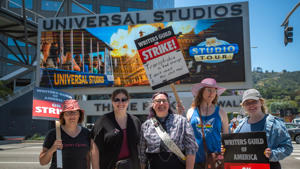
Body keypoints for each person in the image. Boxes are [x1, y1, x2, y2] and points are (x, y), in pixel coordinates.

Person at [234, 89, 293, 169]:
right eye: (247, 103)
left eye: (254, 101)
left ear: (261, 102)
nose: (251, 105)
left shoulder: (275, 124)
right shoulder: (240, 125)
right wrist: (226, 150)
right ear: (243, 106)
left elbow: (287, 147)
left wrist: (272, 154)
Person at [139, 92, 198, 169]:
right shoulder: (146, 125)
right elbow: (142, 154)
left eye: (164, 101)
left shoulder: (181, 121)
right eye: (158, 101)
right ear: (153, 105)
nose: (161, 103)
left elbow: (191, 149)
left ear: (169, 104)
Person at [90, 88, 141, 169]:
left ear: (128, 101)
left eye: (123, 99)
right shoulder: (103, 121)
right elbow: (94, 148)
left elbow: (140, 146)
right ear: (112, 102)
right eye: (117, 100)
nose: (120, 103)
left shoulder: (135, 121)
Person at [186, 78, 229, 169]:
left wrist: (224, 147)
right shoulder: (191, 112)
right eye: (209, 90)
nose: (212, 93)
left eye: (214, 90)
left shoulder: (221, 112)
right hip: (194, 161)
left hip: (215, 161)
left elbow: (227, 136)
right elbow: (186, 136)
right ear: (201, 92)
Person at [39, 99, 91, 169]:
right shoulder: (53, 134)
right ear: (63, 116)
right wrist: (52, 149)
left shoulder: (86, 133)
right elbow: (42, 162)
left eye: (75, 112)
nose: (72, 116)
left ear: (79, 115)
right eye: (68, 113)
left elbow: (87, 158)